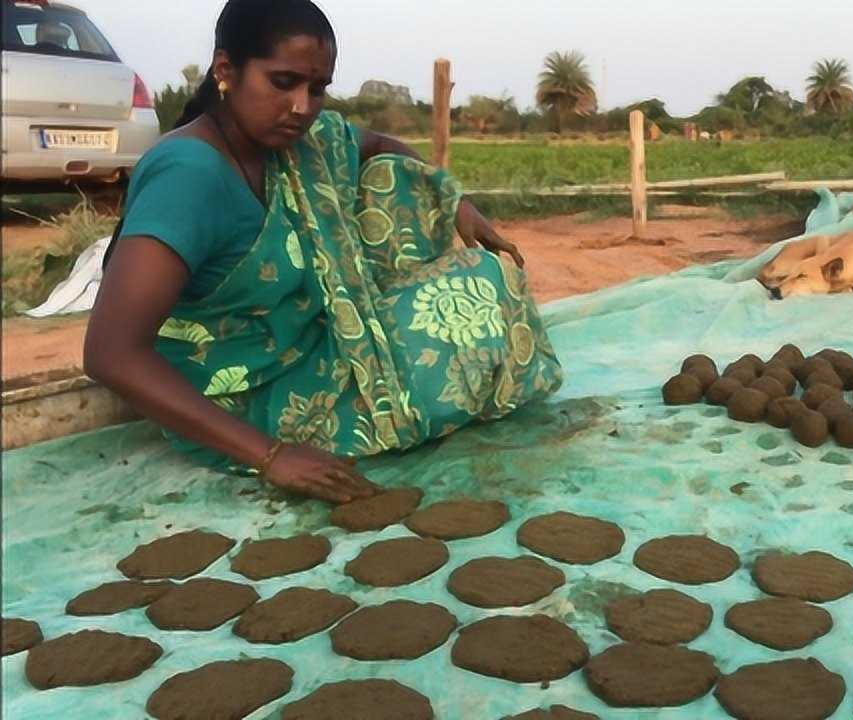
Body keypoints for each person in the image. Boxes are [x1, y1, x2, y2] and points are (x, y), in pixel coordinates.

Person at [85, 0, 562, 505]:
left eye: (317, 89)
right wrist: (272, 456)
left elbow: (381, 145)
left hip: (315, 346)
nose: (302, 107)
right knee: (475, 327)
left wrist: (456, 202)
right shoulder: (189, 175)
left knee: (487, 278)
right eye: (282, 82)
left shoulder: (304, 142)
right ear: (226, 71)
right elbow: (110, 352)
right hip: (241, 407)